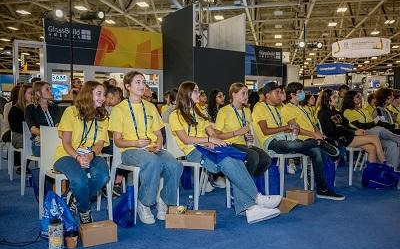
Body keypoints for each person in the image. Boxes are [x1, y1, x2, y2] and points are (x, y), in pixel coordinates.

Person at [169, 81, 281, 224]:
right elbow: (185, 139)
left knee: (236, 159)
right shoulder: (176, 115)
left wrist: (215, 141)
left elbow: (212, 134)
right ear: (187, 93)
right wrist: (208, 140)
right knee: (228, 161)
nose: (200, 94)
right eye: (196, 91)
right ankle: (256, 200)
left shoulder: (201, 113)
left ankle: (251, 209)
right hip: (193, 151)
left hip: (209, 149)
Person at [109, 70, 183, 225]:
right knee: (153, 162)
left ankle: (164, 200)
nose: (142, 85)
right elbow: (118, 141)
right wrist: (135, 143)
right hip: (130, 150)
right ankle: (145, 203)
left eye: (143, 82)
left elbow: (159, 134)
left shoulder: (150, 107)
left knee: (174, 164)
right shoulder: (119, 109)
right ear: (128, 86)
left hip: (151, 149)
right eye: (138, 82)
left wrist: (158, 143)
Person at [252, 82, 345, 200]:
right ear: (268, 95)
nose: (281, 95)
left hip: (285, 139)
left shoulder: (278, 109)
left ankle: (323, 189)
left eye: (281, 92)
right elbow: (265, 131)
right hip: (271, 142)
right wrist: (287, 128)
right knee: (294, 144)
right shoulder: (259, 107)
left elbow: (287, 129)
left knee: (315, 151)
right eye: (278, 92)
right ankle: (317, 142)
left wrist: (291, 130)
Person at [53, 81, 110, 224]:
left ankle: (75, 197)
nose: (103, 98)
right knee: (80, 181)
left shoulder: (102, 116)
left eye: (104, 94)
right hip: (68, 155)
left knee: (103, 176)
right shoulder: (71, 111)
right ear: (87, 94)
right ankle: (84, 209)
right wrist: (78, 157)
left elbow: (100, 143)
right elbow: (66, 143)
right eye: (99, 94)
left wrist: (90, 155)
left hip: (91, 154)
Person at [214, 82, 271, 179]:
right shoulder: (224, 111)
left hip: (243, 145)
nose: (246, 96)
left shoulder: (247, 110)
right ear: (234, 94)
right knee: (253, 156)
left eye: (247, 93)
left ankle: (247, 181)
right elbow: (217, 136)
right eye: (243, 93)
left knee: (266, 159)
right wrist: (236, 133)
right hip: (229, 145)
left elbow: (245, 128)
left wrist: (247, 135)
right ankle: (243, 184)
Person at [318, 89, 385, 164]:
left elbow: (347, 125)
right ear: (327, 99)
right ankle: (386, 167)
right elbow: (331, 130)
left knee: (372, 148)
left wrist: (355, 130)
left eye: (337, 97)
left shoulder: (337, 112)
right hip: (338, 139)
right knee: (375, 138)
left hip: (347, 136)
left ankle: (371, 173)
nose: (337, 100)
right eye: (334, 98)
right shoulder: (323, 113)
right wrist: (354, 132)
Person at [342, 90, 400, 169]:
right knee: (380, 129)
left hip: (372, 133)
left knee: (392, 144)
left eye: (360, 95)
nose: (360, 97)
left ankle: (390, 170)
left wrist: (372, 124)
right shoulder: (347, 112)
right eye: (357, 96)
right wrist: (373, 124)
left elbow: (371, 123)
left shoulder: (363, 110)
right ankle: (398, 139)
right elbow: (360, 126)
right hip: (361, 134)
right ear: (351, 99)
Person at [25, 81, 62, 157]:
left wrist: (53, 137)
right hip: (39, 141)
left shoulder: (55, 107)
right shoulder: (30, 109)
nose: (51, 91)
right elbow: (33, 129)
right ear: (38, 93)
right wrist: (48, 136)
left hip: (55, 139)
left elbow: (58, 125)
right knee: (56, 150)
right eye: (47, 89)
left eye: (50, 89)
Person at [8, 84, 33, 173]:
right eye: (30, 93)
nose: (33, 96)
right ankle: (21, 165)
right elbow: (14, 127)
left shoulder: (35, 109)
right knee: (31, 141)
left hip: (31, 135)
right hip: (18, 135)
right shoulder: (15, 109)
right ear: (23, 95)